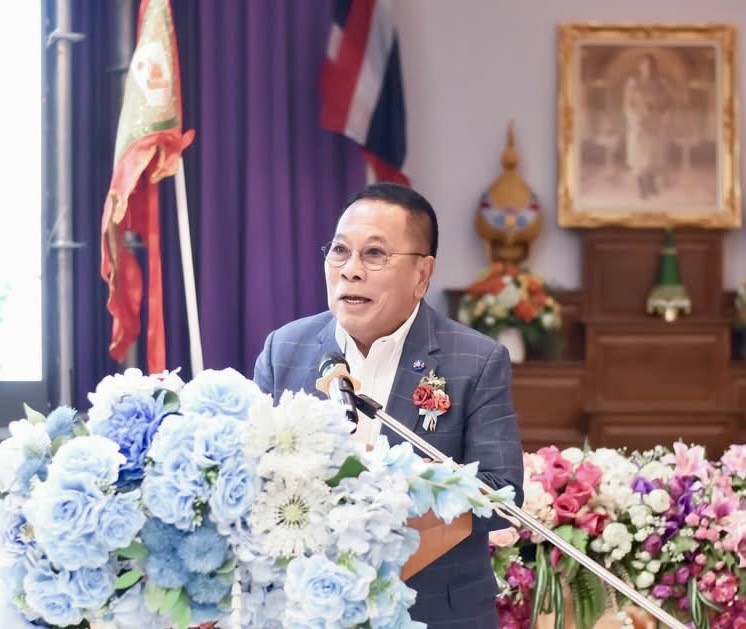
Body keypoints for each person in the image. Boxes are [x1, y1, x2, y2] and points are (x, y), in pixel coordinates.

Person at [253, 182, 524, 628]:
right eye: (340, 251)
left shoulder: (475, 360)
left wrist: (394, 501)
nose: (350, 271)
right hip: (306, 610)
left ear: (422, 275)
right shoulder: (284, 349)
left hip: (433, 613)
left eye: (375, 254)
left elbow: (501, 494)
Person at [623, 53, 673, 199]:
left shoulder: (660, 84)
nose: (648, 68)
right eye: (645, 65)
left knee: (653, 156)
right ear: (640, 66)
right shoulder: (633, 84)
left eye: (651, 65)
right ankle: (642, 187)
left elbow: (667, 103)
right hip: (639, 124)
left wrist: (661, 117)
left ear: (655, 67)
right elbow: (627, 105)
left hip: (655, 123)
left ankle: (651, 184)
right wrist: (636, 121)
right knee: (640, 157)